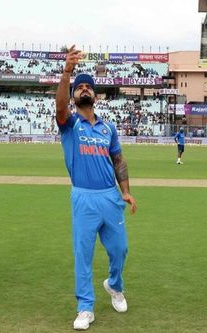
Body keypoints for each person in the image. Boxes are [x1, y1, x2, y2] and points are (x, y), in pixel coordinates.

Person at [56, 45, 137, 330]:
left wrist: (125, 190)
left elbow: (118, 159)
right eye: (80, 87)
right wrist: (67, 73)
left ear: (96, 96)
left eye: (89, 87)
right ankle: (85, 307)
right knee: (83, 254)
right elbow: (60, 107)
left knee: (120, 250)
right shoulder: (69, 124)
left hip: (110, 197)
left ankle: (114, 285)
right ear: (75, 95)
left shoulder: (108, 128)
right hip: (83, 198)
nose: (84, 90)